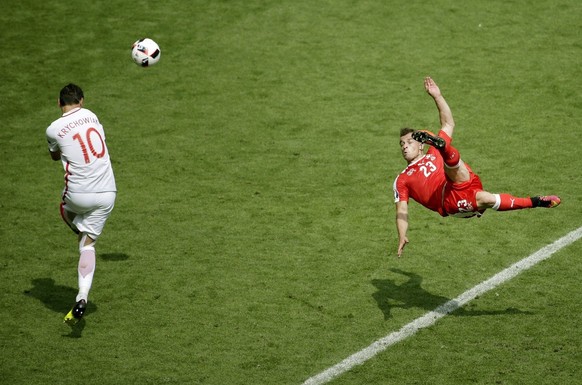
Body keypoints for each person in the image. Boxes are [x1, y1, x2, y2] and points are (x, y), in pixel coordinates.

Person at [393, 77, 560, 257]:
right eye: (401, 144)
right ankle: (537, 201)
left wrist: (437, 96)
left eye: (409, 142)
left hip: (464, 181)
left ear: (420, 145)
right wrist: (402, 234)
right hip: (448, 201)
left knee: (454, 167)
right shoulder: (402, 179)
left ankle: (444, 148)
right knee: (486, 198)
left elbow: (449, 123)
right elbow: (402, 210)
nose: (404, 146)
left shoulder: (431, 152)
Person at [46, 84, 116, 324]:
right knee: (88, 245)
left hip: (78, 195)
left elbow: (55, 155)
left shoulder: (53, 129)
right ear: (82, 101)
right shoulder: (92, 116)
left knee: (64, 210)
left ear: (59, 103)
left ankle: (80, 229)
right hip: (108, 193)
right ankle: (82, 296)